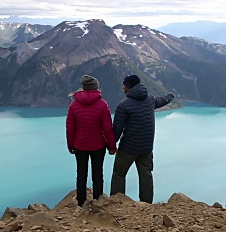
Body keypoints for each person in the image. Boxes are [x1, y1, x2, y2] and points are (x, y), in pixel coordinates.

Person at [110, 74, 174, 203]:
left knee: (119, 174)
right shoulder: (150, 99)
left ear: (129, 87)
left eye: (125, 85)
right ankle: (146, 205)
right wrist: (171, 95)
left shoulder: (123, 105)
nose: (123, 87)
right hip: (146, 149)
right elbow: (162, 100)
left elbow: (117, 129)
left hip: (128, 148)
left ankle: (117, 203)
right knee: (146, 176)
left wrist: (111, 145)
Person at [66, 75, 117, 207]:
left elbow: (70, 128)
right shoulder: (102, 104)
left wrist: (70, 145)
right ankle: (98, 201)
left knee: (81, 174)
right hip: (98, 145)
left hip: (80, 145)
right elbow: (107, 128)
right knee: (98, 173)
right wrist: (112, 146)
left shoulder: (74, 104)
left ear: (83, 88)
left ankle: (81, 203)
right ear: (96, 88)